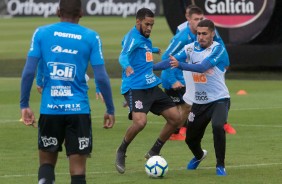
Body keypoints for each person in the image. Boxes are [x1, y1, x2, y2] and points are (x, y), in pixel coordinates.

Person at [20, 0, 115, 183]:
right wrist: (110, 109)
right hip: (78, 111)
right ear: (81, 12)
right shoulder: (91, 36)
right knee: (78, 171)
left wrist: (24, 104)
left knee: (46, 165)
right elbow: (101, 77)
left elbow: (29, 71)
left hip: (50, 110)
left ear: (57, 11)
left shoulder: (41, 33)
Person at [154, 19, 230, 176]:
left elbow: (202, 67)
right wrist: (147, 68)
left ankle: (220, 165)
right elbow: (169, 62)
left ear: (212, 34)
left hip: (219, 99)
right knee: (190, 139)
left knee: (217, 126)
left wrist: (180, 65)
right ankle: (199, 155)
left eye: (204, 34)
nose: (201, 37)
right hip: (199, 102)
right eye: (198, 33)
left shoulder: (218, 49)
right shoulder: (190, 49)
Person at [115, 8, 182, 174]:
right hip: (135, 87)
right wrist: (127, 66)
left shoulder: (145, 40)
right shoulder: (133, 37)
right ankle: (121, 150)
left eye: (152, 24)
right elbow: (123, 55)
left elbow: (144, 54)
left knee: (176, 118)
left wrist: (155, 51)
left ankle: (154, 151)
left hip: (151, 85)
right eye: (147, 24)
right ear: (138, 22)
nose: (149, 28)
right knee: (140, 122)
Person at [162, 5, 236, 136]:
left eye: (201, 18)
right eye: (196, 19)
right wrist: (172, 80)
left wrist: (225, 61)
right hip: (181, 75)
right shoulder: (182, 36)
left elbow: (220, 43)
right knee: (187, 105)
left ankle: (219, 123)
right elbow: (168, 58)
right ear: (188, 19)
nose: (199, 22)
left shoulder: (208, 29)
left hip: (196, 73)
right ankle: (177, 131)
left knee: (196, 102)